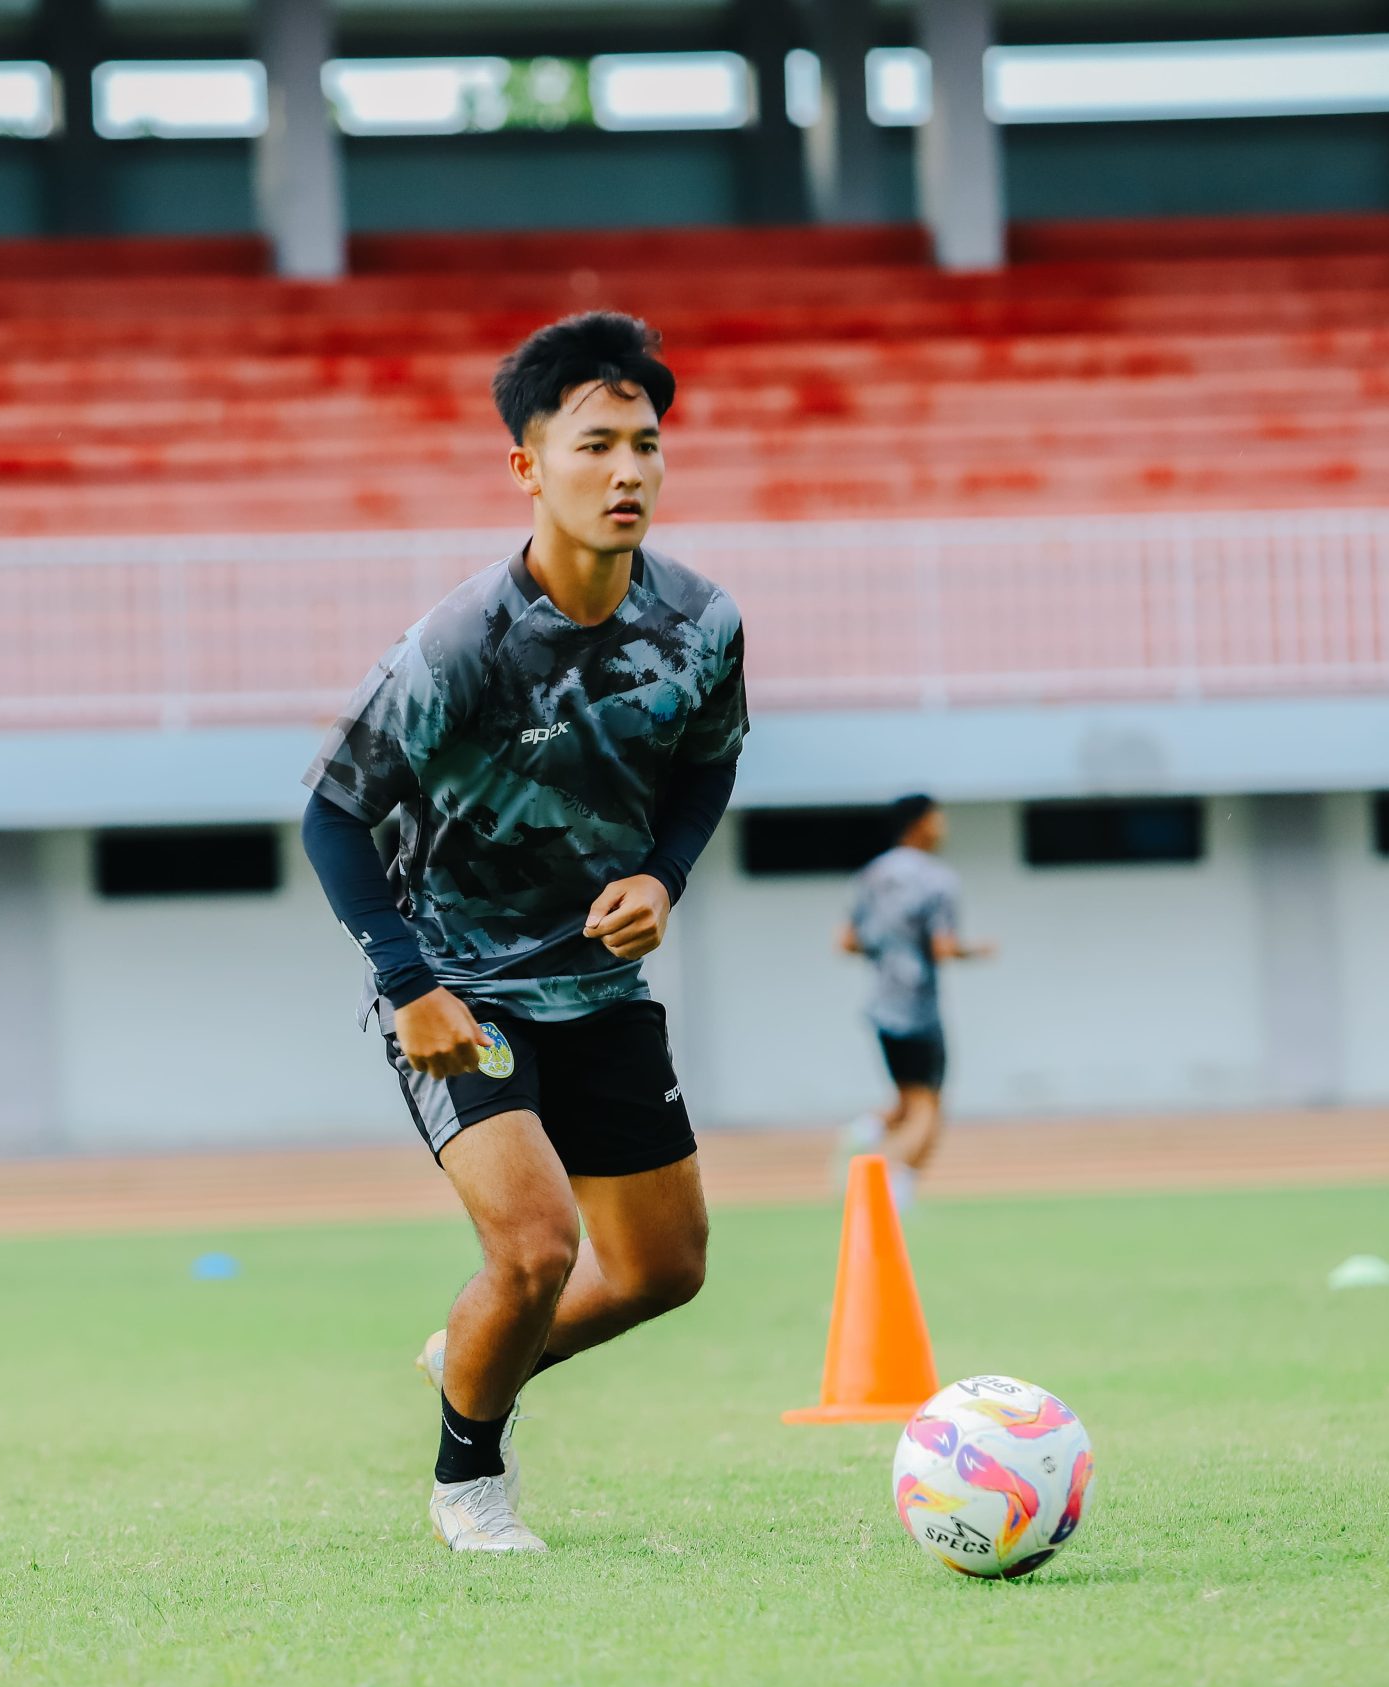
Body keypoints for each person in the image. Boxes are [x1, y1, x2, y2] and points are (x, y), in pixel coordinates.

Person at [300, 312, 747, 1554]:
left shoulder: (702, 625)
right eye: (596, 445)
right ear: (528, 468)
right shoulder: (461, 646)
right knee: (539, 1247)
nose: (628, 473)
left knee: (664, 1270)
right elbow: (332, 819)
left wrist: (662, 876)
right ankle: (469, 1482)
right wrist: (408, 985)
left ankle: (474, 1353)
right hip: (460, 992)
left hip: (600, 987)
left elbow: (705, 770)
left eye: (647, 446)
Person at [837, 794, 995, 1211]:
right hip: (917, 1008)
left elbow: (848, 941)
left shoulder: (871, 875)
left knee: (908, 1101)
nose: (944, 827)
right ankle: (888, 1173)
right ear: (918, 824)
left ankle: (868, 1129)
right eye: (937, 819)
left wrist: (888, 951)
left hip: (881, 1005)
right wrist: (975, 951)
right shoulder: (936, 879)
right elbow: (943, 948)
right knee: (928, 1107)